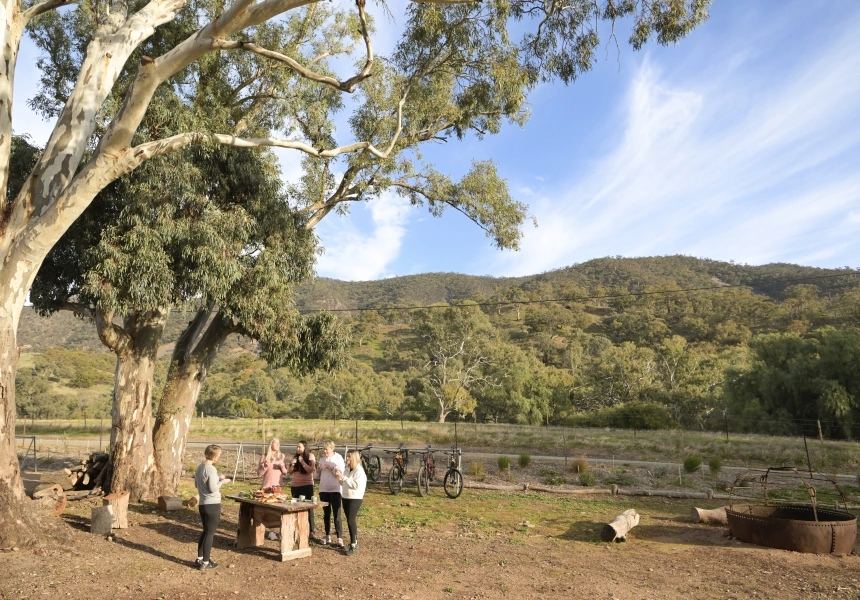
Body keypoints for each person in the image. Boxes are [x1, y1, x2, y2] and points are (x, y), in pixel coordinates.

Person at [194, 444, 231, 570]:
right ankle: (205, 562)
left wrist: (217, 479)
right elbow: (213, 488)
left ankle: (199, 558)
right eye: (219, 455)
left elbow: (196, 484)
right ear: (214, 455)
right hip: (212, 504)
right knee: (210, 534)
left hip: (202, 504)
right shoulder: (211, 469)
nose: (219, 457)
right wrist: (222, 482)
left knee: (205, 532)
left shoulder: (199, 468)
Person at [287, 440, 319, 541]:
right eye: (297, 447)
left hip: (307, 485)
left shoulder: (310, 456)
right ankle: (297, 529)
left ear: (305, 447)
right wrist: (292, 465)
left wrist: (302, 462)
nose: (297, 449)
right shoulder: (295, 457)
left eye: (299, 447)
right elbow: (290, 472)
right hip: (296, 485)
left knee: (309, 507)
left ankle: (311, 531)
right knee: (296, 507)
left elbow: (311, 470)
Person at [336, 449, 367, 556]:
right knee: (349, 520)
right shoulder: (347, 469)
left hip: (355, 498)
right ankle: (353, 541)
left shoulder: (359, 471)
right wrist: (339, 477)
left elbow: (356, 485)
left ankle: (354, 544)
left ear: (354, 458)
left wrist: (344, 478)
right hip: (345, 497)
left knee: (351, 520)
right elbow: (343, 483)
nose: (347, 459)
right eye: (347, 456)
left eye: (349, 456)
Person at [316, 440, 345, 549]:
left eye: (326, 449)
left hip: (335, 489)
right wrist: (318, 469)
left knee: (336, 513)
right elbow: (316, 475)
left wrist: (331, 468)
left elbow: (340, 473)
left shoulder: (338, 458)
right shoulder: (322, 459)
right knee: (326, 513)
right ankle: (327, 535)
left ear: (332, 449)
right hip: (324, 489)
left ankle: (339, 537)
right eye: (323, 449)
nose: (324, 451)